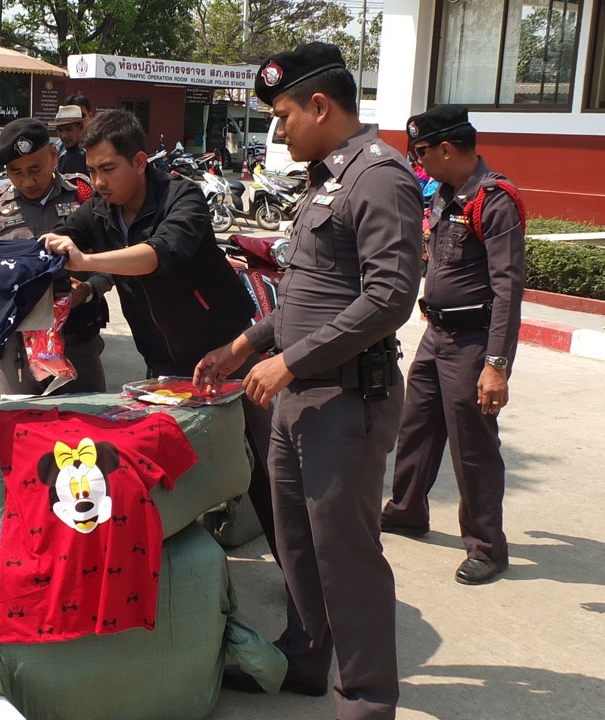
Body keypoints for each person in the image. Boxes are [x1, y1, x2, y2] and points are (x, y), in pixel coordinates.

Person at [193, 43, 421, 720]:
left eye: (283, 115)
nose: (279, 130)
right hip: (299, 400)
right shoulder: (327, 179)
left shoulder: (378, 178)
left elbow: (389, 297)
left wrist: (290, 361)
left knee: (345, 557)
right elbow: (305, 296)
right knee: (296, 544)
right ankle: (305, 657)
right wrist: (244, 345)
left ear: (320, 106)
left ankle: (367, 701)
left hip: (346, 402)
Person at [41, 110, 280, 575]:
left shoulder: (181, 195)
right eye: (91, 171)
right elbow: (70, 234)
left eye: (107, 169)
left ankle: (303, 586)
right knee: (171, 469)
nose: (98, 182)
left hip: (228, 353)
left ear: (139, 161)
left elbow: (159, 254)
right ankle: (180, 575)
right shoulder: (101, 209)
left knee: (267, 470)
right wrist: (54, 243)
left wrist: (86, 261)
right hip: (163, 362)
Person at [380, 105, 526, 586]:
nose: (417, 161)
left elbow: (508, 288)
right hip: (436, 335)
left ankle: (487, 547)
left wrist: (496, 365)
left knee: (473, 446)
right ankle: (407, 510)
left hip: (472, 342)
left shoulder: (494, 200)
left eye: (421, 152)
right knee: (416, 425)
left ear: (446, 148)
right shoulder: (444, 194)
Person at [0, 117, 108, 395]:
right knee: (20, 418)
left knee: (87, 417)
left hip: (76, 338)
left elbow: (113, 256)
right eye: (16, 172)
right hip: (16, 345)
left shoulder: (83, 198)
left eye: (35, 169)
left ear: (53, 156)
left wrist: (89, 289)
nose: (27, 181)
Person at [49, 104, 89, 177]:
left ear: (80, 127)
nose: (64, 136)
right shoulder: (62, 153)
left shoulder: (87, 154)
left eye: (69, 129)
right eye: (60, 130)